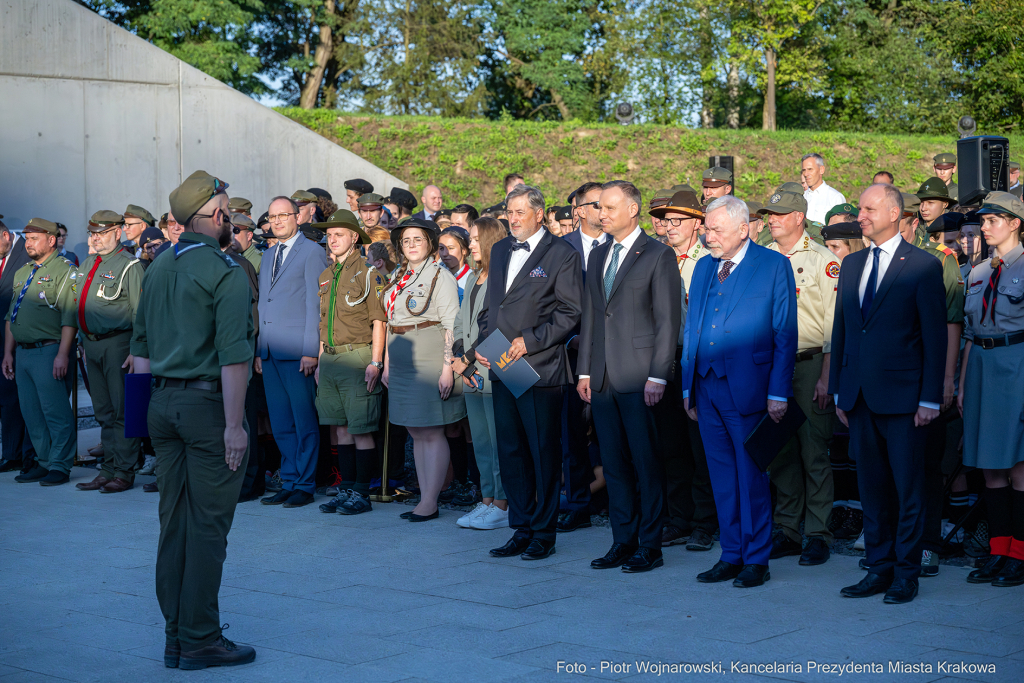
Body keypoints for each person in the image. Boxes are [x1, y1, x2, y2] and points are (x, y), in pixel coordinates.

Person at [130, 170, 256, 670]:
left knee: (173, 523)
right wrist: (234, 426)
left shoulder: (158, 265)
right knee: (206, 527)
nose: (232, 220)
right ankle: (200, 637)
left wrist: (140, 424)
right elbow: (233, 358)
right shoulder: (225, 271)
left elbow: (139, 349)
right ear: (217, 217)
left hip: (160, 405)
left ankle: (175, 636)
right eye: (228, 212)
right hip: (206, 410)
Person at [830, 183, 946, 605]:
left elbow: (934, 338)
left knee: (907, 487)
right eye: (860, 208)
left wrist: (931, 397)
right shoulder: (853, 263)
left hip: (904, 399)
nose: (860, 215)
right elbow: (843, 329)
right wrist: (842, 390)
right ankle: (877, 568)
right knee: (872, 488)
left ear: (895, 213)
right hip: (859, 396)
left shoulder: (922, 266)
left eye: (868, 208)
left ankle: (906, 572)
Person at [681, 195, 798, 588]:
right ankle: (731, 553)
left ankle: (756, 559)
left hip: (749, 388)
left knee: (751, 476)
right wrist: (687, 386)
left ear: (744, 228)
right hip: (707, 387)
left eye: (715, 229)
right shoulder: (702, 269)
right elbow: (692, 327)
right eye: (706, 228)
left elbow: (785, 332)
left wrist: (778, 392)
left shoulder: (772, 265)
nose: (706, 235)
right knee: (721, 477)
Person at [577, 181, 680, 573]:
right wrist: (585, 369)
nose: (601, 214)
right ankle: (622, 540)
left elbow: (668, 321)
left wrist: (659, 375)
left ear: (633, 209)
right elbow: (591, 315)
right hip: (601, 376)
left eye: (609, 208)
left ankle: (649, 545)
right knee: (615, 464)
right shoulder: (598, 253)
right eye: (599, 208)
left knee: (646, 462)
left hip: (640, 377)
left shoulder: (657, 255)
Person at [476, 184, 583, 560]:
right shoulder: (502, 248)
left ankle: (544, 532)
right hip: (502, 362)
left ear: (539, 213)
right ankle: (520, 527)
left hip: (538, 365)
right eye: (510, 211)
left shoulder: (562, 253)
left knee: (542, 451)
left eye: (520, 212)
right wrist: (483, 343)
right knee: (512, 450)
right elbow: (492, 305)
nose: (513, 218)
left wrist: (531, 341)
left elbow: (570, 312)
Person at [761, 188, 839, 566]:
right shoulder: (762, 258)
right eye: (769, 214)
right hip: (771, 366)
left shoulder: (824, 260)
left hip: (809, 365)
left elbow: (833, 325)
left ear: (798, 218)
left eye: (779, 214)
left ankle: (819, 533)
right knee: (780, 451)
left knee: (813, 451)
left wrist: (826, 377)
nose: (771, 219)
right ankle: (788, 529)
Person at [959, 192, 1024, 586]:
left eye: (992, 221)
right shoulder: (979, 271)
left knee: (1018, 466)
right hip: (982, 368)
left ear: (1015, 223)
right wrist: (964, 384)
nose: (983, 228)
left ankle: (1019, 554)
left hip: (1015, 366)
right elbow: (970, 333)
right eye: (982, 222)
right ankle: (999, 551)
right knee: (990, 468)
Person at [382, 218, 466, 521]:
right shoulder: (399, 275)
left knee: (430, 429)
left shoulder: (440, 276)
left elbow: (450, 325)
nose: (411, 245)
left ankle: (430, 500)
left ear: (429, 244)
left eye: (417, 239)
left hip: (429, 354)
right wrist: (387, 365)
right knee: (415, 430)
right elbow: (392, 320)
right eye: (406, 240)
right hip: (402, 355)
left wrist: (447, 368)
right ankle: (425, 497)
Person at [649, 188, 717, 552]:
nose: (669, 226)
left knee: (700, 445)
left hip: (697, 360)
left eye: (678, 220)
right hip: (664, 359)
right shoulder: (656, 258)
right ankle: (679, 518)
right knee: (670, 444)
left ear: (697, 224)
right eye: (665, 220)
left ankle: (705, 521)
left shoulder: (707, 260)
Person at [257, 196, 329, 509]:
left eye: (283, 215)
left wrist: (311, 351)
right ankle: (288, 479)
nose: (277, 221)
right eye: (272, 217)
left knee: (304, 420)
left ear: (296, 217)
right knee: (280, 422)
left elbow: (316, 305)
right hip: (271, 352)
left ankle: (305, 483)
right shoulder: (268, 254)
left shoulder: (312, 252)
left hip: (298, 352)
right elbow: (263, 306)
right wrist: (261, 349)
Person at [312, 210, 386, 515]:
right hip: (329, 358)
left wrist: (376, 362)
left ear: (355, 237)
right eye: (329, 235)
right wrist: (319, 361)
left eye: (339, 234)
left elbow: (379, 321)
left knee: (361, 428)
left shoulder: (369, 273)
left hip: (357, 356)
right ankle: (346, 488)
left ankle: (361, 493)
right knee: (340, 428)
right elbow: (323, 321)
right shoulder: (327, 275)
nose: (332, 239)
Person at [2, 218, 78, 487]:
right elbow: (12, 315)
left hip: (49, 350)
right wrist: (8, 353)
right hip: (22, 353)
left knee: (55, 412)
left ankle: (60, 464)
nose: (28, 243)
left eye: (34, 238)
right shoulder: (23, 272)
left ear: (52, 240)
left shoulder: (65, 270)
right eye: (27, 238)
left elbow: (70, 316)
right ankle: (44, 461)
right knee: (32, 413)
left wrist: (63, 354)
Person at [73, 210, 144, 494]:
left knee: (121, 411)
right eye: (93, 234)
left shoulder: (130, 265)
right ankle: (108, 469)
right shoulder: (90, 263)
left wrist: (137, 349)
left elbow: (141, 312)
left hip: (119, 344)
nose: (96, 238)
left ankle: (124, 471)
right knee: (103, 410)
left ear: (117, 232)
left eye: (102, 233)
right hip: (92, 343)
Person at [451, 217, 509, 531]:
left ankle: (502, 504)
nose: (470, 244)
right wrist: (459, 355)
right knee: (482, 440)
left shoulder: (502, 278)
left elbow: (496, 326)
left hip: (493, 364)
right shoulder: (474, 277)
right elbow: (462, 321)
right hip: (470, 367)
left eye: (474, 239)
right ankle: (486, 499)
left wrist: (468, 358)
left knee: (498, 438)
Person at [0, 218, 36, 474]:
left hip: (14, 342)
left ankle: (19, 455)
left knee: (14, 400)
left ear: (5, 236)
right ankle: (11, 453)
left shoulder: (27, 255)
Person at [563, 183, 608, 273]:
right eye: (598, 205)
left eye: (608, 205)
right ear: (582, 211)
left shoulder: (620, 243)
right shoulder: (561, 245)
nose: (605, 211)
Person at [801, 153, 847, 224]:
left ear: (821, 170)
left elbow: (841, 229)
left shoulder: (835, 198)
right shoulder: (801, 197)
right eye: (804, 170)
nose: (806, 174)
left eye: (810, 169)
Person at [439, 226, 472, 298]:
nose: (445, 253)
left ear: (464, 250)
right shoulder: (435, 275)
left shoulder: (472, 280)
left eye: (451, 248)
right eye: (441, 248)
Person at [958, 211, 986, 280]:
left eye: (971, 235)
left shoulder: (992, 271)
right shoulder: (958, 273)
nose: (964, 240)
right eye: (962, 235)